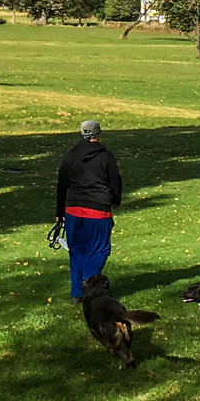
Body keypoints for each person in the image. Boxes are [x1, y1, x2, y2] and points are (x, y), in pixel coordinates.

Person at [55, 118, 122, 300]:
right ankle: (89, 281)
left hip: (73, 209)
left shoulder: (71, 155)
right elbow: (115, 181)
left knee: (77, 250)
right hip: (98, 210)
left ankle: (77, 292)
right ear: (98, 134)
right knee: (100, 249)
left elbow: (62, 185)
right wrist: (116, 200)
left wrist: (60, 213)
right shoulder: (106, 156)